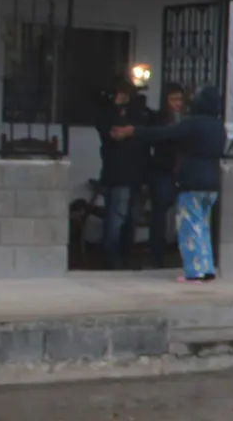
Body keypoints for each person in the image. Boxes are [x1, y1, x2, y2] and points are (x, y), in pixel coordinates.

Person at [116, 85, 225, 283]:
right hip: (212, 183)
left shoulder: (194, 123)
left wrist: (135, 131)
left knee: (189, 226)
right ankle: (207, 268)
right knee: (203, 225)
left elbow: (164, 133)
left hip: (193, 181)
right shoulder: (218, 127)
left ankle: (193, 272)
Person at [94, 83, 152, 270]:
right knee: (116, 218)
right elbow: (111, 133)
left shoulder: (139, 115)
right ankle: (112, 259)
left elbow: (143, 135)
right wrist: (117, 111)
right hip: (117, 175)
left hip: (136, 174)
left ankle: (125, 257)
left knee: (131, 219)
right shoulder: (106, 116)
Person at [146, 84, 187, 269]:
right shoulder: (159, 119)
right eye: (173, 100)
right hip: (162, 171)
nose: (176, 104)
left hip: (181, 172)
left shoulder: (186, 120)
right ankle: (156, 256)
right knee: (159, 215)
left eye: (179, 100)